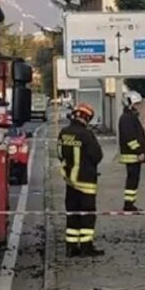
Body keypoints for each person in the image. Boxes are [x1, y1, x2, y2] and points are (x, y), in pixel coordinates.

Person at [57, 103, 105, 257]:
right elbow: (97, 155)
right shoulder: (86, 135)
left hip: (70, 181)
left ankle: (71, 247)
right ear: (86, 118)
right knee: (87, 215)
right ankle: (86, 247)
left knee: (72, 214)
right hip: (86, 182)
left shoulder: (64, 133)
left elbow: (59, 153)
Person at [118, 90, 145, 211]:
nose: (139, 107)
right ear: (129, 104)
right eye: (137, 104)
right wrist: (139, 151)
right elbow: (130, 138)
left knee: (133, 180)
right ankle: (128, 204)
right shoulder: (127, 118)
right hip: (132, 156)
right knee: (132, 180)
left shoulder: (129, 117)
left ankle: (130, 203)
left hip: (132, 155)